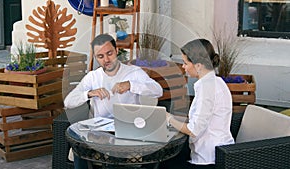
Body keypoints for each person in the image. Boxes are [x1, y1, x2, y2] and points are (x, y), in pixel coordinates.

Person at [64, 34, 163, 169]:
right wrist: (89, 93)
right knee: (79, 147)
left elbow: (158, 90)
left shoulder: (133, 72)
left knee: (114, 151)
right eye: (100, 56)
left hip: (128, 129)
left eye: (109, 53)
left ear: (117, 51)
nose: (106, 59)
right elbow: (68, 101)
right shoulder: (93, 77)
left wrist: (131, 85)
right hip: (101, 132)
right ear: (96, 58)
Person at [165, 39, 234, 169]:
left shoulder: (206, 88)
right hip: (219, 152)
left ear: (198, 65)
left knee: (164, 162)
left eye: (185, 63)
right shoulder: (218, 82)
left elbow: (193, 130)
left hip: (207, 159)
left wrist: (168, 118)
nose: (183, 67)